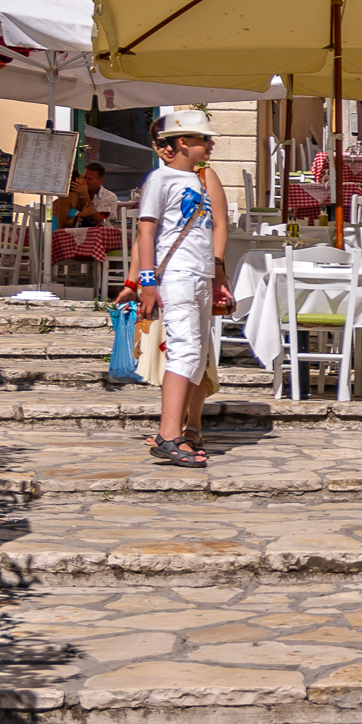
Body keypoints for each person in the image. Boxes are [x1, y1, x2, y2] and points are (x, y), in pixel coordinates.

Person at [121, 110, 232, 468]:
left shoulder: (198, 181)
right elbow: (146, 232)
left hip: (199, 275)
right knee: (184, 352)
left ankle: (175, 432)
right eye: (204, 138)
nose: (211, 143)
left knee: (197, 356)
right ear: (183, 142)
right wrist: (145, 282)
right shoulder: (161, 179)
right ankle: (170, 435)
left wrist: (216, 278)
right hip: (178, 276)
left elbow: (209, 229)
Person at [53, 162, 118, 228]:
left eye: (89, 179)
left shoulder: (109, 197)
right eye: (84, 177)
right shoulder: (75, 195)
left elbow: (96, 219)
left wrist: (85, 196)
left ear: (100, 181)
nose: (85, 181)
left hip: (104, 233)